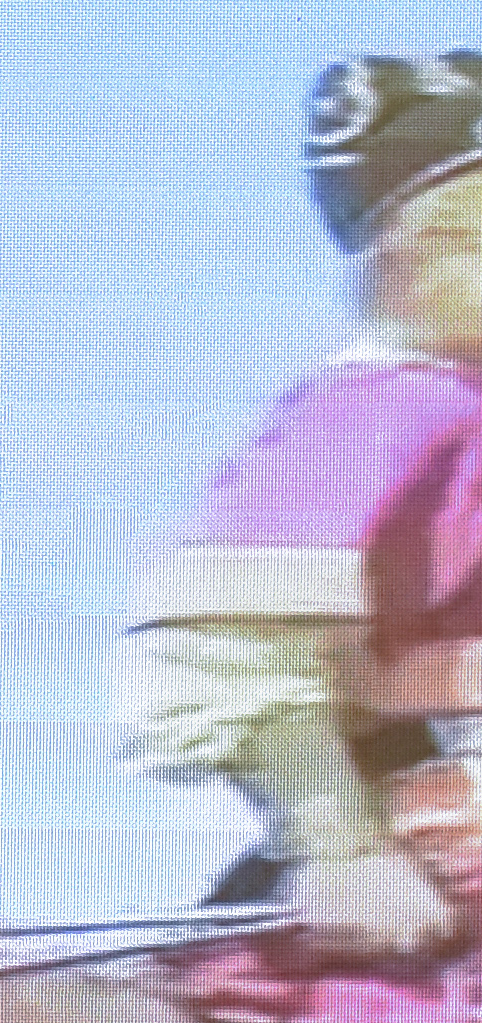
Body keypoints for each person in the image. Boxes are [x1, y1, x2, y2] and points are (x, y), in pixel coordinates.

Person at [118, 49, 482, 961]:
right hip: (423, 892)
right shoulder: (381, 411)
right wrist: (342, 847)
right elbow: (230, 636)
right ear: (425, 252)